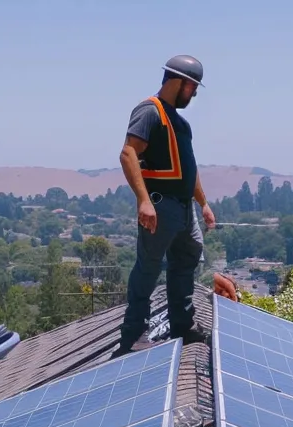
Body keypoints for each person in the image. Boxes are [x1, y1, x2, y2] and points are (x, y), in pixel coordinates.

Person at [115, 55, 214, 356]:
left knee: (186, 263)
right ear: (178, 82)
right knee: (148, 268)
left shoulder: (181, 123)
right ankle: (133, 336)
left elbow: (190, 170)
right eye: (192, 86)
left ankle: (182, 327)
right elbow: (128, 153)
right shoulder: (150, 111)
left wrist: (204, 203)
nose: (194, 93)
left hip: (185, 209)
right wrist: (144, 201)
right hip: (161, 206)